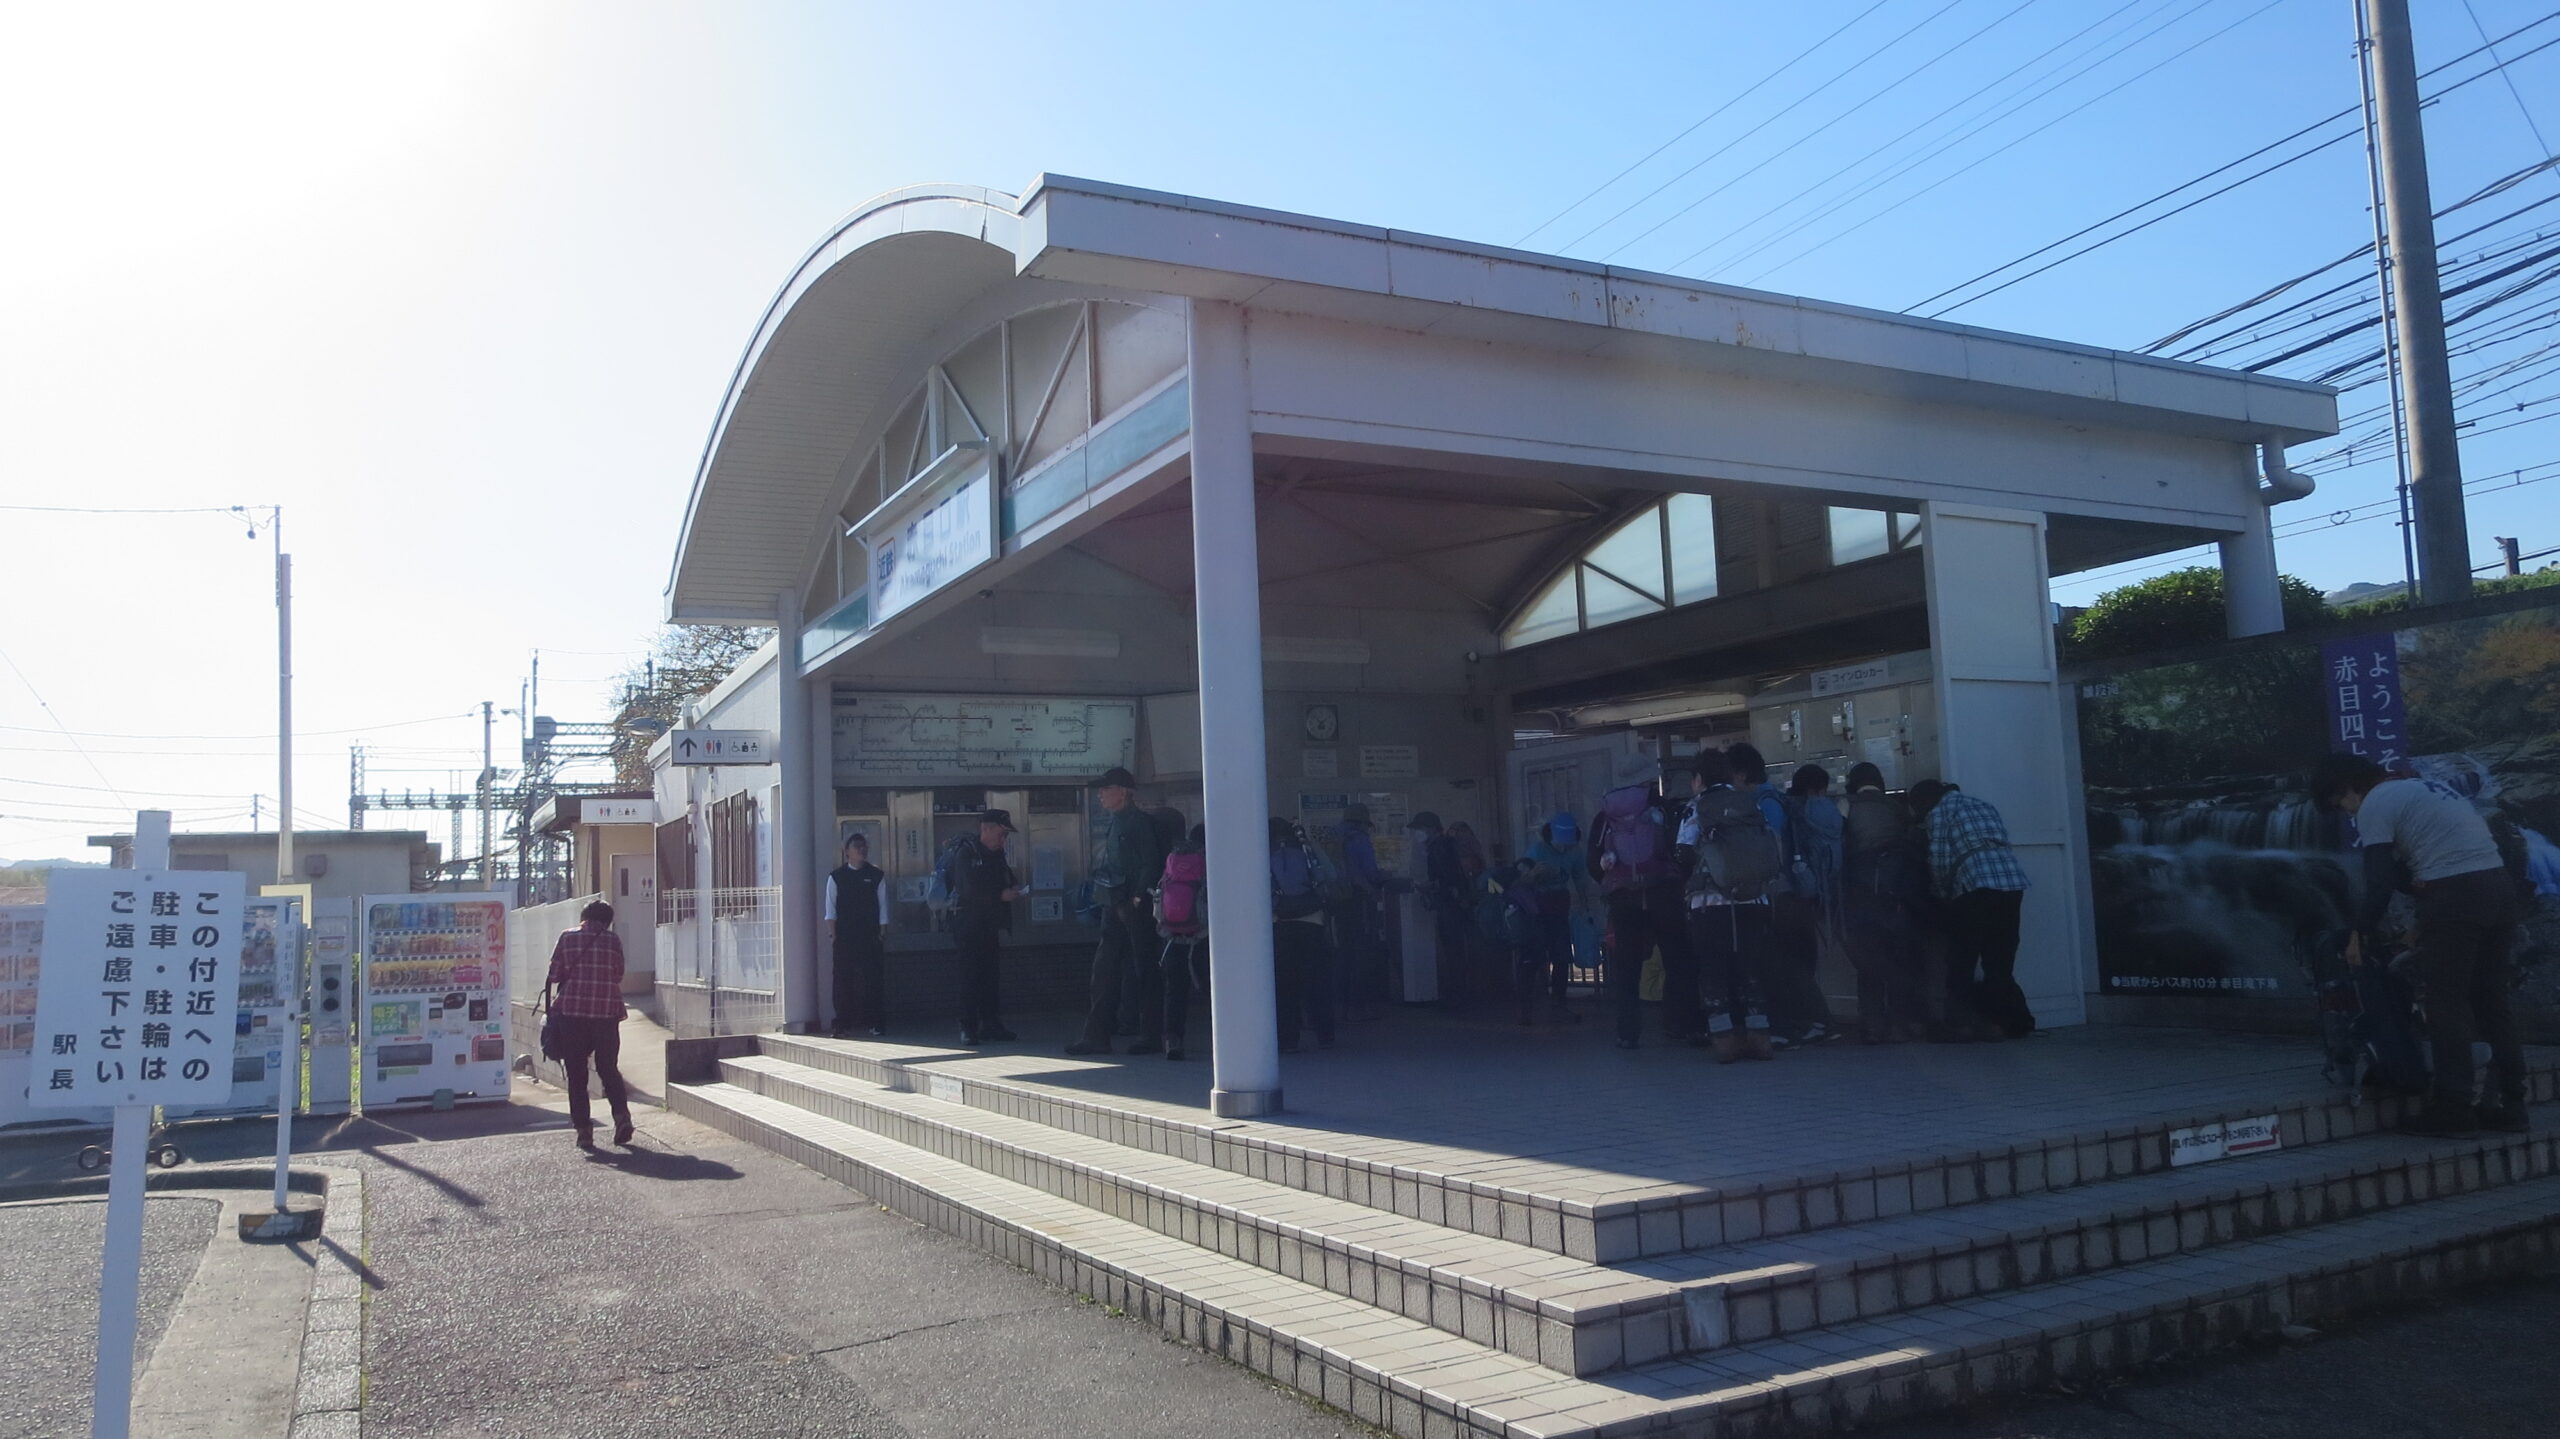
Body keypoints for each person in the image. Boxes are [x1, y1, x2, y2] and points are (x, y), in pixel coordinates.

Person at [2312, 753, 2529, 1137]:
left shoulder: (2375, 803)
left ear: (2347, 786)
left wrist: (2358, 934)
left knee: (2447, 1004)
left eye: (2340, 803)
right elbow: (2414, 872)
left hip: (2456, 897)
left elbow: (2379, 882)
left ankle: (2454, 1110)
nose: (2348, 812)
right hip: (2499, 891)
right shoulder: (2421, 788)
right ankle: (2512, 1106)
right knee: (2492, 1001)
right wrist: (2423, 922)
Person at [1910, 779, 2035, 1041]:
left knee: (1961, 960)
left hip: (1974, 887)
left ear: (1924, 803)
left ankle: (1959, 1025)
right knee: (1999, 960)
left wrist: (1941, 895)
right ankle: (2006, 1023)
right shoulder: (1983, 805)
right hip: (2011, 883)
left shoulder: (1939, 813)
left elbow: (1939, 860)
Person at [1731, 743, 1833, 1046]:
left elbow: (1772, 850)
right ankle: (1808, 1022)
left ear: (1741, 774)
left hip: (1779, 893)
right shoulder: (1773, 798)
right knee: (1790, 961)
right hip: (1789, 892)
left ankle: (1803, 1023)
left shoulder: (1765, 803)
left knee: (1781, 962)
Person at [1678, 749, 1774, 1062]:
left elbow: (1683, 853)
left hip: (1710, 903)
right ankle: (1760, 1039)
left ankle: (1724, 1042)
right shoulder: (1750, 803)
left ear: (1699, 779)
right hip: (1753, 897)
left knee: (1713, 972)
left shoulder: (1696, 807)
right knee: (1751, 969)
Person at [1590, 775, 1699, 1049]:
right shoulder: (1661, 809)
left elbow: (1592, 862)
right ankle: (1682, 1024)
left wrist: (1615, 884)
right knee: (1677, 960)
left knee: (1627, 967)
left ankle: (1627, 1033)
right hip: (1664, 895)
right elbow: (1682, 852)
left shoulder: (1606, 816)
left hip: (1624, 899)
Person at [1068, 767, 1167, 1057]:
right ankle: (1097, 1035)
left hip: (1133, 904)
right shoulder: (1116, 822)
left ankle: (1150, 1035)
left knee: (1144, 968)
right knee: (1104, 969)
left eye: (1105, 789)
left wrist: (1138, 896)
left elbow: (1151, 861)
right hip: (1114, 901)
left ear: (1123, 792)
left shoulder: (1139, 822)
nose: (1100, 795)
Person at [1839, 763, 1927, 1043]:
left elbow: (1838, 842)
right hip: (1898, 890)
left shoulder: (1847, 804)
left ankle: (1873, 1026)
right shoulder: (1897, 807)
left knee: (1868, 961)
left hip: (1861, 889)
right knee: (1899, 958)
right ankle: (1901, 1024)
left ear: (1853, 782)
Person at [544, 899, 634, 1148]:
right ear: (607, 921)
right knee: (608, 1069)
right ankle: (622, 1118)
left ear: (584, 917)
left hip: (572, 1015)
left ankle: (584, 1130)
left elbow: (554, 975)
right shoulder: (613, 941)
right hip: (606, 1014)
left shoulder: (567, 937)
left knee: (576, 1073)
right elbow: (618, 975)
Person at [949, 808, 1022, 1045]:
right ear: (986, 829)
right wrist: (1000, 895)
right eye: (1001, 834)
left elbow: (1005, 877)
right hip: (969, 925)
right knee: (969, 976)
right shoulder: (966, 853)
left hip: (990, 924)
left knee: (990, 976)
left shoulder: (997, 855)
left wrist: (1013, 886)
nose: (1003, 840)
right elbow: (968, 889)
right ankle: (967, 1026)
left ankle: (991, 1023)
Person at [1269, 817, 1338, 1053]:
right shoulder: (1305, 848)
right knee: (1317, 981)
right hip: (1312, 921)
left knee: (1284, 985)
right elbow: (1330, 875)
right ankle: (1325, 1035)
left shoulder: (1263, 852)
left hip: (1279, 923)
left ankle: (1288, 1040)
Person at [1518, 812, 1588, 1025]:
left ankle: (1559, 1003)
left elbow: (1579, 877)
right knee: (1532, 958)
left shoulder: (1575, 851)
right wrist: (1534, 874)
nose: (1565, 847)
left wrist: (1584, 904)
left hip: (1559, 908)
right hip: (1536, 909)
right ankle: (1525, 1008)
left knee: (1562, 957)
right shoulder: (1537, 850)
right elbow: (1521, 880)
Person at [826, 833, 890, 1038]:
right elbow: (830, 909)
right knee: (842, 980)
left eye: (864, 847)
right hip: (845, 936)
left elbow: (883, 906)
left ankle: (876, 1022)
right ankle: (842, 1023)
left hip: (870, 935)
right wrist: (833, 935)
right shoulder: (836, 877)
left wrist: (882, 932)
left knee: (873, 979)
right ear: (847, 852)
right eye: (857, 847)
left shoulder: (876, 875)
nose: (862, 850)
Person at [1157, 823, 1207, 1061]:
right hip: (1204, 937)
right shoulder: (1210, 861)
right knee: (1217, 989)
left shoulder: (1174, 861)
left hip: (1173, 937)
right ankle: (1228, 1039)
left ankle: (1172, 1040)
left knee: (1175, 991)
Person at [1329, 802, 1388, 1008]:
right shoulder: (1360, 839)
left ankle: (1340, 998)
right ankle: (1359, 1002)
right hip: (1358, 897)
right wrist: (1382, 878)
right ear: (1363, 822)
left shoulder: (1334, 836)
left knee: (1342, 948)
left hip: (1336, 899)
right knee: (1361, 947)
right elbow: (1370, 872)